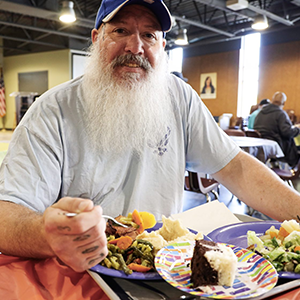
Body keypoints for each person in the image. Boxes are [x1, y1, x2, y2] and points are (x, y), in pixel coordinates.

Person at [0, 0, 300, 275]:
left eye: (149, 35)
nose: (136, 47)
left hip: (167, 269)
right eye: (120, 30)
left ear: (162, 45)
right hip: (79, 274)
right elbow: (6, 215)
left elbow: (235, 167)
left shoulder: (178, 96)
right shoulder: (52, 112)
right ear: (95, 39)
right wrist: (48, 235)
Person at [254, 91, 300, 167]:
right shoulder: (281, 114)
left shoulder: (261, 112)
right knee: (295, 143)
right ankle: (294, 170)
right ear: (283, 103)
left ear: (272, 100)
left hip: (261, 145)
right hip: (277, 146)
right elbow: (287, 132)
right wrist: (298, 129)